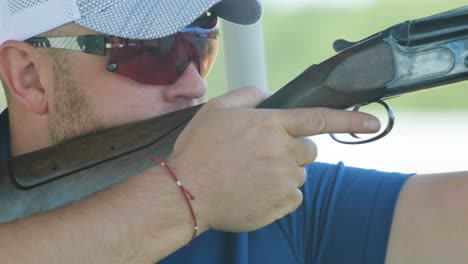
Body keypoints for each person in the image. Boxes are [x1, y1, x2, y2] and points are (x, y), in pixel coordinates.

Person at [0, 0, 465, 263]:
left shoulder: (266, 194)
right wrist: (190, 195)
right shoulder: (216, 182)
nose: (194, 84)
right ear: (29, 77)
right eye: (153, 52)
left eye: (200, 45)